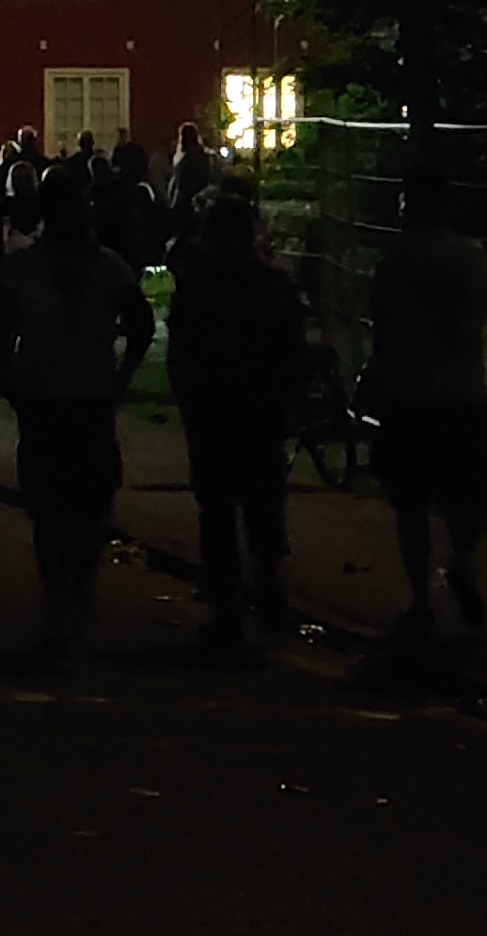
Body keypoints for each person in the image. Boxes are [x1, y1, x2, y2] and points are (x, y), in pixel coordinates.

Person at [0, 171, 150, 660]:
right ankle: (68, 598)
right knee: (65, 506)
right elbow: (139, 325)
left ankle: (67, 598)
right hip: (64, 397)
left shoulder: (52, 267)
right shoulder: (99, 267)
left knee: (68, 507)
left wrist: (9, 377)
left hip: (62, 396)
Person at [366, 167, 487, 639]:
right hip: (462, 391)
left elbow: (381, 324)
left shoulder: (395, 259)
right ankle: (461, 562)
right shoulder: (472, 256)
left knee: (411, 502)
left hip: (409, 393)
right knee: (466, 495)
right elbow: (482, 315)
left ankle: (421, 598)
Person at [163, 197, 304, 647]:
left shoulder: (200, 286)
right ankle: (269, 590)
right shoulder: (273, 284)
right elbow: (292, 348)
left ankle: (227, 606)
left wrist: (188, 399)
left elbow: (181, 350)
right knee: (263, 503)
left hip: (213, 408)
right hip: (259, 406)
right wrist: (287, 398)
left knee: (218, 509)